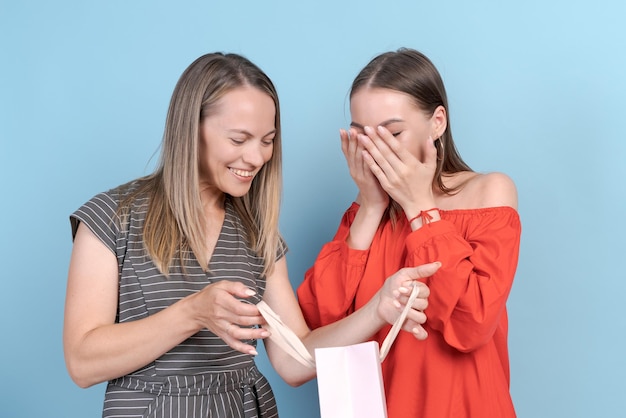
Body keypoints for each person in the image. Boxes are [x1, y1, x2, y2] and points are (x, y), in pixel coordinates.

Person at [63, 52, 441, 418]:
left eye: (267, 140)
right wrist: (193, 313)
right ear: (191, 130)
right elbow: (82, 363)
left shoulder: (258, 235)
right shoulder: (113, 217)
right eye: (239, 139)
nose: (257, 158)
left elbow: (297, 362)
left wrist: (379, 308)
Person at [297, 47, 522, 418]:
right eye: (361, 137)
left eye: (393, 133)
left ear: (437, 123)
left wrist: (420, 208)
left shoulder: (489, 191)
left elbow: (472, 324)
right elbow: (321, 333)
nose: (375, 152)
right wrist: (370, 208)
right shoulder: (368, 213)